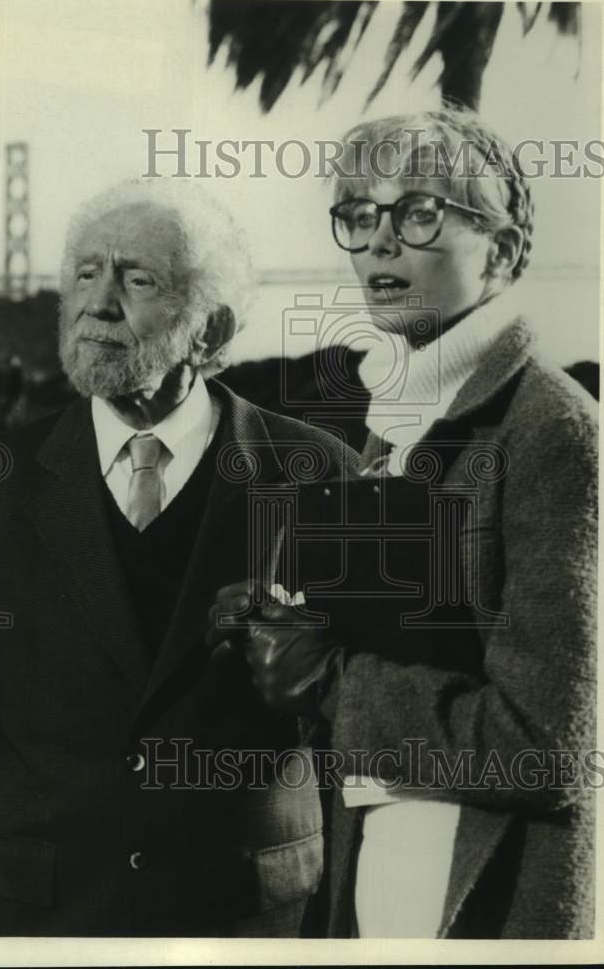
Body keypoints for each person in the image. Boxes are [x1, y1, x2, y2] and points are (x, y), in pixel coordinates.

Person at [0, 178, 360, 937]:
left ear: (210, 329)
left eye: (136, 280)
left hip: (255, 924)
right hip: (45, 925)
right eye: (85, 274)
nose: (98, 303)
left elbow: (354, 752)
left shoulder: (320, 473)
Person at [208, 108, 598, 939]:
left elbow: (550, 749)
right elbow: (405, 662)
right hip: (382, 891)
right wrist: (276, 634)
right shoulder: (397, 421)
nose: (379, 242)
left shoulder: (554, 433)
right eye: (358, 215)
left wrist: (328, 682)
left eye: (418, 212)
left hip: (486, 909)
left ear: (500, 251)